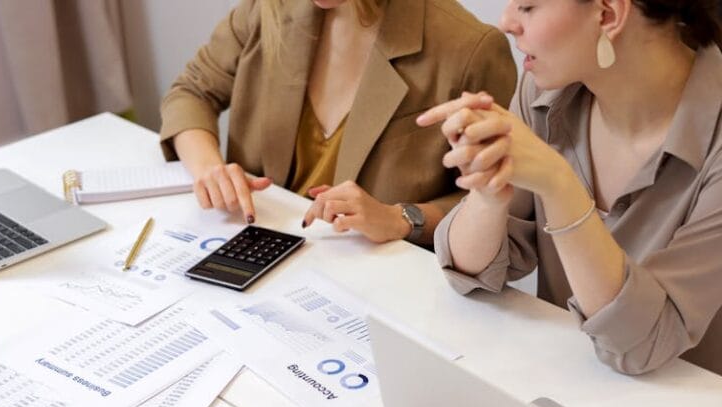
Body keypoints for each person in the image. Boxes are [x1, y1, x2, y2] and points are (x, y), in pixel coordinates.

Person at [418, 0, 722, 375]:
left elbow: (642, 344)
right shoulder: (547, 94)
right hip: (565, 389)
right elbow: (468, 273)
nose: (506, 22)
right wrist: (488, 192)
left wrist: (559, 185)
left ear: (608, 13)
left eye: (528, 6)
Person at [159, 0, 517, 245]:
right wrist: (210, 169)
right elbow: (191, 92)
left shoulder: (469, 48)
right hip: (255, 250)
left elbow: (498, 201)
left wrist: (401, 218)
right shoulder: (267, 9)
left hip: (379, 289)